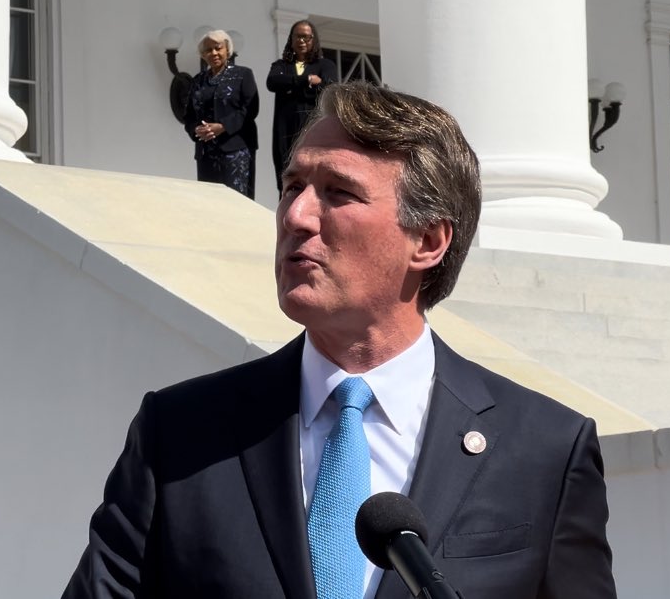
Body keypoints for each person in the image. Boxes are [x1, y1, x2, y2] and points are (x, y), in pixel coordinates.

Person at [63, 82, 617, 599]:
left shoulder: (544, 449)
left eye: (338, 192)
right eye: (291, 187)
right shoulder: (180, 433)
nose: (296, 216)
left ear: (427, 240)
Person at [183, 29, 259, 199]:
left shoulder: (242, 75)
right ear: (203, 55)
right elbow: (188, 115)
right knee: (210, 202)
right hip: (206, 153)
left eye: (218, 48)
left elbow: (250, 109)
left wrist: (223, 126)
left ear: (227, 50)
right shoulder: (198, 80)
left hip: (236, 150)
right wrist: (196, 130)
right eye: (208, 50)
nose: (214, 53)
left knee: (237, 201)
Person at [267, 20, 338, 190]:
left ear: (314, 40)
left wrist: (291, 87)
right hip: (285, 129)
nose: (301, 41)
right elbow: (273, 82)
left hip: (312, 126)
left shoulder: (325, 65)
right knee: (286, 173)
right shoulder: (281, 66)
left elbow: (328, 88)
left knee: (312, 171)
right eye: (298, 37)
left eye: (306, 37)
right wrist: (306, 81)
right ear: (291, 40)